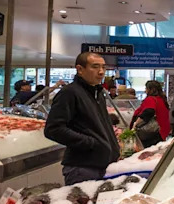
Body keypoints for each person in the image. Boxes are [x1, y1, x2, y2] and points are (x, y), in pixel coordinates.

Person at [44, 53, 120, 185]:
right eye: (95, 67)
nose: (101, 72)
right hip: (82, 169)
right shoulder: (69, 93)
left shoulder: (98, 93)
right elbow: (53, 129)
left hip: (102, 166)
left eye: (103, 67)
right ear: (80, 69)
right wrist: (91, 143)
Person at [129, 80, 171, 148]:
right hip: (162, 131)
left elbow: (149, 111)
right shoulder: (161, 99)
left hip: (152, 132)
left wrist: (136, 123)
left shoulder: (151, 99)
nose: (145, 90)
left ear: (150, 89)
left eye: (146, 88)